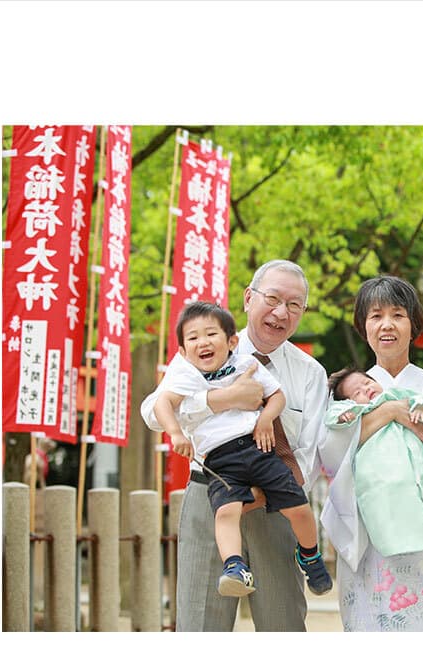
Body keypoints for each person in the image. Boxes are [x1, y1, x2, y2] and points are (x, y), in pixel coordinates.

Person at [141, 259, 329, 631]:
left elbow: (311, 450)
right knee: (200, 621)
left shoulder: (311, 373)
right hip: (211, 494)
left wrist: (263, 493)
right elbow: (152, 411)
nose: (280, 313)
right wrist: (223, 399)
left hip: (275, 500)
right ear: (248, 298)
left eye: (294, 306)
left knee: (283, 622)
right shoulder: (203, 346)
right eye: (272, 299)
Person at [319, 276, 423, 632]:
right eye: (375, 316)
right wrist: (390, 413)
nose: (386, 324)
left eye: (398, 315)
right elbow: (330, 455)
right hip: (365, 530)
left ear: (413, 325)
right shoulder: (347, 392)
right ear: (363, 326)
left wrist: (419, 498)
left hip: (420, 528)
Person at [325, 367, 423, 560]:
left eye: (366, 383)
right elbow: (332, 417)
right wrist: (343, 414)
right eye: (357, 393)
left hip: (410, 459)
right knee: (380, 501)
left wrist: (421, 408)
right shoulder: (359, 412)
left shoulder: (394, 395)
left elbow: (422, 399)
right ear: (349, 401)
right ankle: (389, 542)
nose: (365, 390)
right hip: (376, 467)